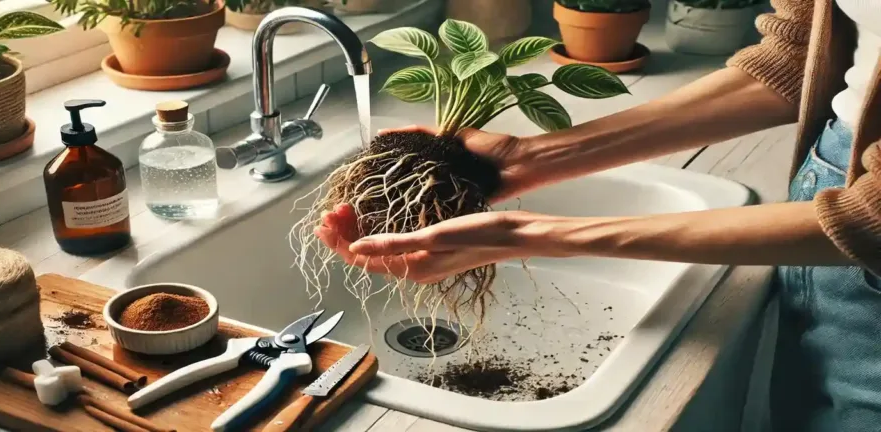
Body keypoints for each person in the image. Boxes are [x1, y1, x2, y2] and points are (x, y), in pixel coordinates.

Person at [314, 0, 881, 430]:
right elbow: (800, 50)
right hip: (829, 180)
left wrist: (531, 234)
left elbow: (870, 216)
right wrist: (532, 156)